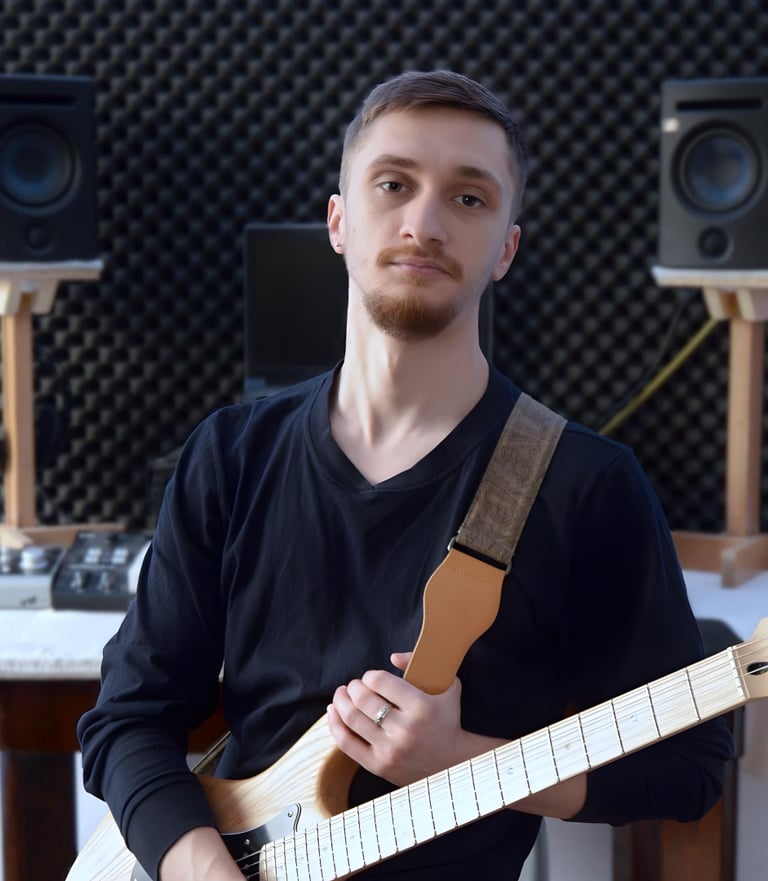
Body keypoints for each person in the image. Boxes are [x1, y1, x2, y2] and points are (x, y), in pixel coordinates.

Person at [78, 70, 733, 881]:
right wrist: (200, 867)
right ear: (339, 220)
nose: (423, 222)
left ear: (506, 248)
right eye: (393, 184)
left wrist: (464, 760)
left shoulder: (587, 486)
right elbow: (128, 719)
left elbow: (692, 766)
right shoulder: (229, 455)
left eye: (468, 198)